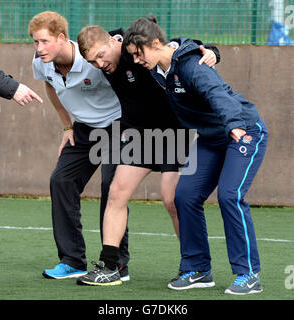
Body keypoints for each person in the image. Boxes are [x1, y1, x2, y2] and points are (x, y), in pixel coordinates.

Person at [122, 15, 269, 295]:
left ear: (155, 43)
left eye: (139, 54)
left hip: (243, 130)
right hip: (212, 137)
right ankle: (198, 269)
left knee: (230, 196)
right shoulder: (159, 67)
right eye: (133, 55)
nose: (137, 61)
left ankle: (248, 274)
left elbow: (216, 93)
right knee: (185, 195)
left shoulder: (191, 66)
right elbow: (186, 44)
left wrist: (234, 124)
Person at [75, 24, 220, 286]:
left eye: (100, 55)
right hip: (138, 133)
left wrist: (210, 50)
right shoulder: (105, 58)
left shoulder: (135, 48)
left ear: (113, 42)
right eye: (91, 61)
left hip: (174, 131)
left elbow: (172, 43)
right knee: (116, 192)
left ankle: (196, 267)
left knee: (171, 199)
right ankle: (110, 266)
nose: (98, 64)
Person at [28, 11, 130, 281]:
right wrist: (67, 125)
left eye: (44, 41)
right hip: (83, 130)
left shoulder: (91, 59)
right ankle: (72, 260)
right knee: (61, 181)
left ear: (61, 38)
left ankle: (116, 264)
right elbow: (50, 86)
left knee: (113, 189)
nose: (39, 48)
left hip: (117, 126)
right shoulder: (41, 63)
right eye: (35, 42)